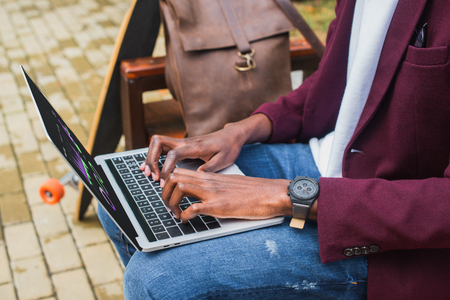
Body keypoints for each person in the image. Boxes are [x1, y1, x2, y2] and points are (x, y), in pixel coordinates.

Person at [98, 0, 450, 298]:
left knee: (156, 280)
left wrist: (288, 196)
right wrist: (239, 131)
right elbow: (336, 83)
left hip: (394, 234)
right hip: (324, 160)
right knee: (120, 201)